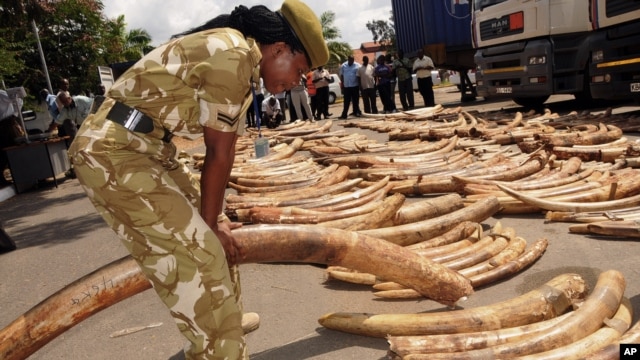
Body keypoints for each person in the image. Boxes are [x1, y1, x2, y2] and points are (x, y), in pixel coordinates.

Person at [67, 1, 328, 358]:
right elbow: (217, 154)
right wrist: (209, 225)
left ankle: (225, 326)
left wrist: (216, 219)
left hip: (150, 149)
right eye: (300, 70)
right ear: (280, 49)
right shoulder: (233, 54)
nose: (297, 82)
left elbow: (226, 152)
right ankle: (218, 347)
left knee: (220, 236)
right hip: (112, 150)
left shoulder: (244, 65)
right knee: (202, 251)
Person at [338, 55, 361, 119]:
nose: (351, 61)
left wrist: (360, 85)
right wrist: (342, 85)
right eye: (350, 60)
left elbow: (359, 76)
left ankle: (356, 112)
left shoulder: (357, 65)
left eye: (352, 60)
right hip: (347, 86)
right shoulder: (343, 66)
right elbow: (341, 75)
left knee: (356, 100)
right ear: (348, 59)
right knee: (346, 101)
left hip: (355, 86)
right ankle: (344, 114)